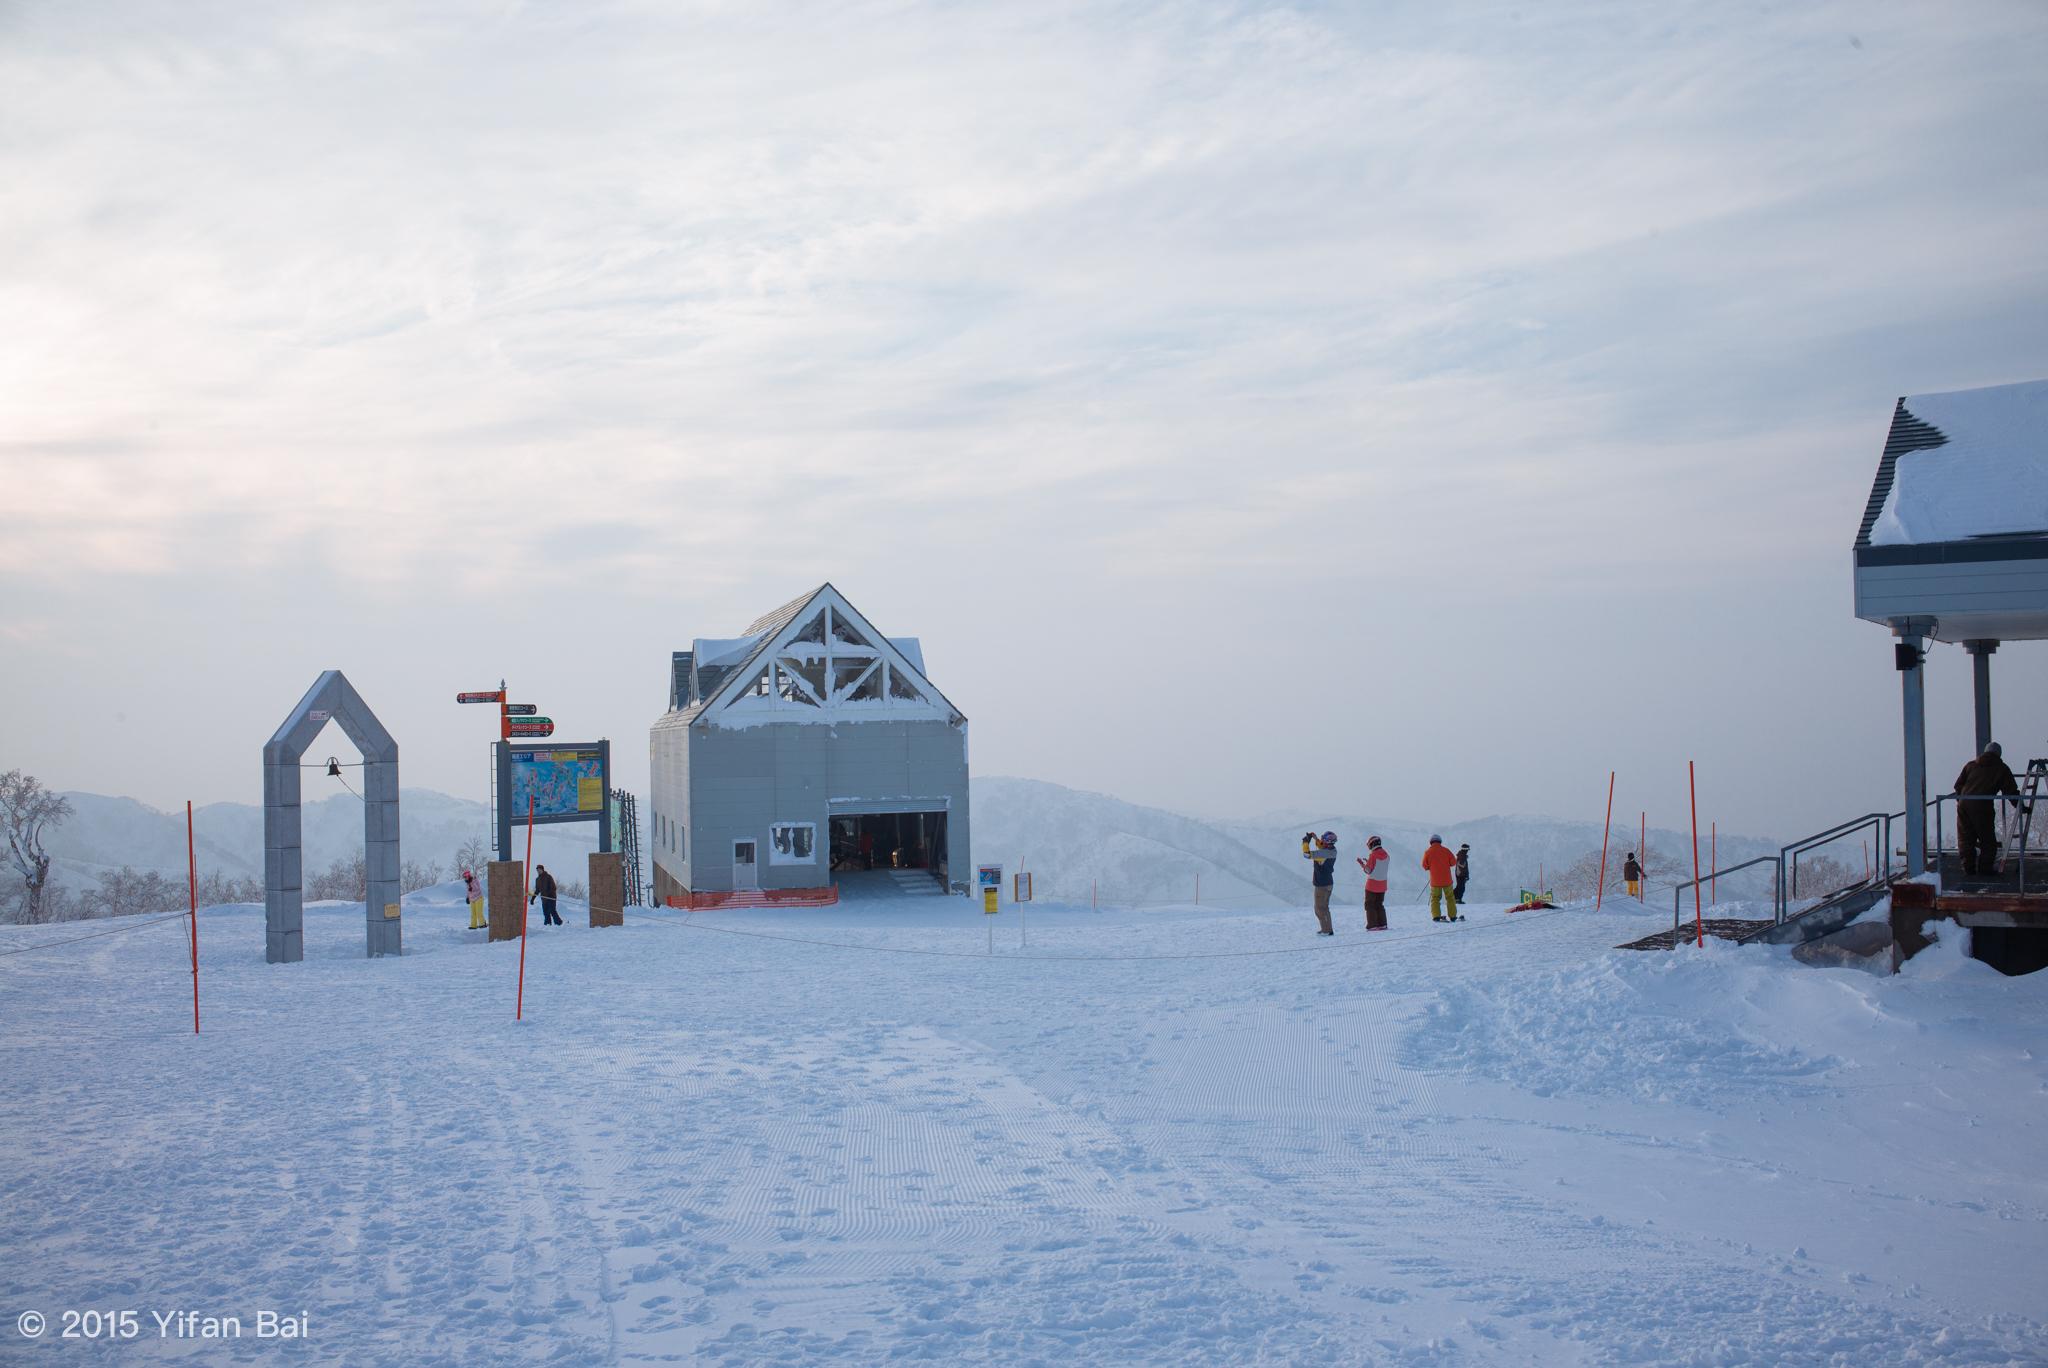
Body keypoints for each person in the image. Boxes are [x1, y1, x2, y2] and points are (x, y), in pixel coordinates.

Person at [1955, 741, 2020, 876]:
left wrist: (1961, 799)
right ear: (1999, 754)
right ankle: (1985, 869)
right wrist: (2020, 806)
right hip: (1982, 806)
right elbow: (2010, 790)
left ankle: (1968, 868)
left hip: (1964, 805)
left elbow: (1958, 785)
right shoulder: (2001, 768)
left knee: (1966, 838)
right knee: (1987, 839)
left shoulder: (1971, 765)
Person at [1422, 834, 1459, 922]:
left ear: (1431, 842)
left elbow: (1424, 866)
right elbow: (1454, 862)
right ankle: (1453, 916)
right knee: (1450, 898)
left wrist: (1430, 867)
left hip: (1435, 881)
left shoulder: (1427, 852)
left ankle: (1436, 916)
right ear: (1440, 841)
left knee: (1435, 898)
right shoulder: (1446, 851)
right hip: (1447, 880)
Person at [1306, 830, 1337, 935]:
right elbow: (1322, 847)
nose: (1322, 840)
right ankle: (1327, 929)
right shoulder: (1332, 851)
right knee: (1324, 908)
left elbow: (1306, 855)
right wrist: (1315, 838)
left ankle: (1326, 930)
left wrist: (1305, 842)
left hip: (1322, 885)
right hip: (1328, 883)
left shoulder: (1323, 853)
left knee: (1320, 908)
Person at [1357, 835, 1390, 930]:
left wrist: (1362, 864)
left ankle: (1372, 925)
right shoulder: (1387, 855)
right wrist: (1369, 862)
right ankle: (1382, 924)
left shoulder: (1373, 855)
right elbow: (1379, 867)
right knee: (1379, 904)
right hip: (1383, 884)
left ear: (1372, 844)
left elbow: (1368, 870)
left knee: (1369, 905)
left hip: (1372, 885)